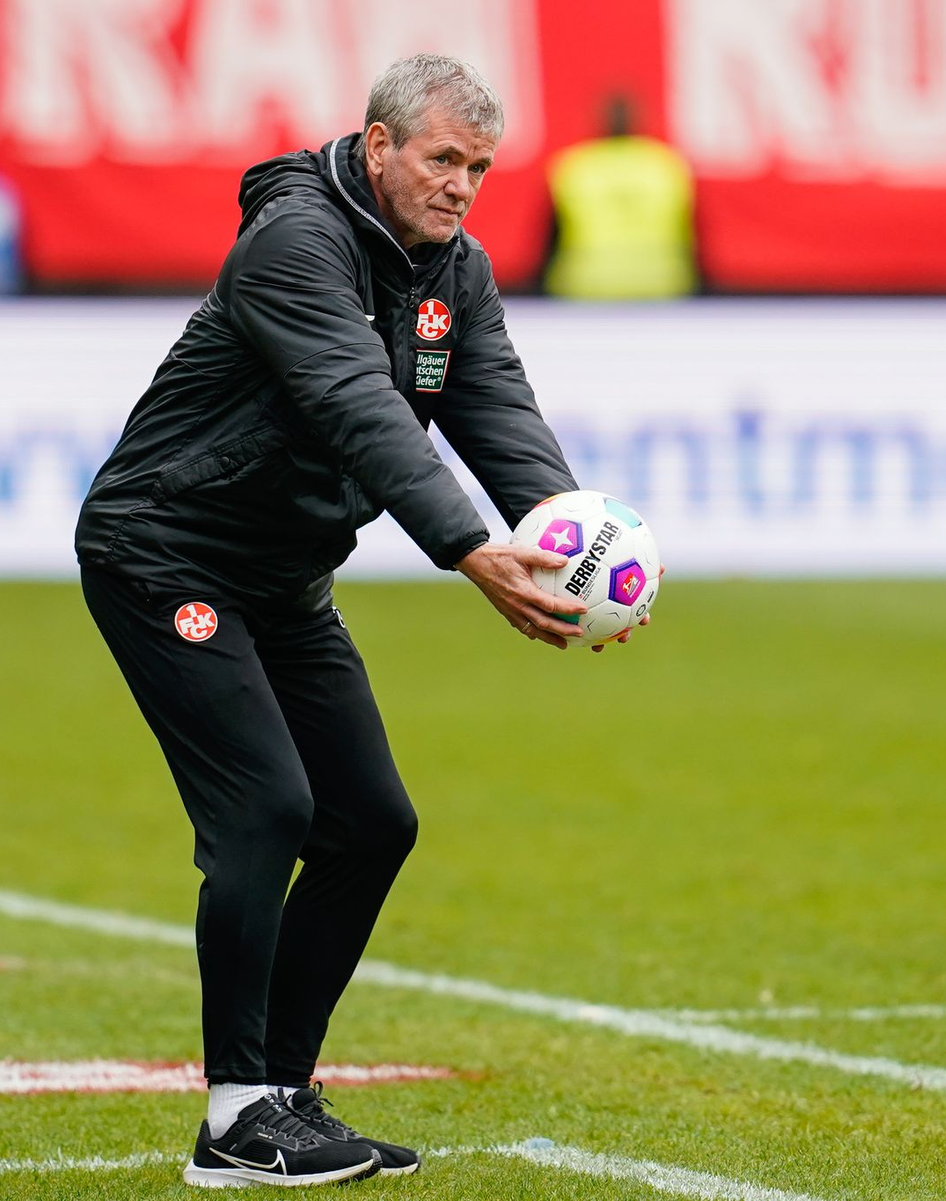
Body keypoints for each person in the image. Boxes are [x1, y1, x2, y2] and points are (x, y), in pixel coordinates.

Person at [75, 53, 639, 1189]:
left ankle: (281, 1097)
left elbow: (495, 412)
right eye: (442, 159)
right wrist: (469, 548)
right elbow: (356, 405)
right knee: (268, 805)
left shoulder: (453, 272)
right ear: (378, 146)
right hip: (161, 551)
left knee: (372, 821)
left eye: (479, 166)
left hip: (280, 581)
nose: (462, 185)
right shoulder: (295, 239)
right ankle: (235, 1116)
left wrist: (575, 547)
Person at [541, 95, 699, 300]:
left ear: (601, 121)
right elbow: (692, 233)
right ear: (638, 121)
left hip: (587, 282)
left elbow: (551, 237)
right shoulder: (667, 166)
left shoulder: (575, 167)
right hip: (661, 282)